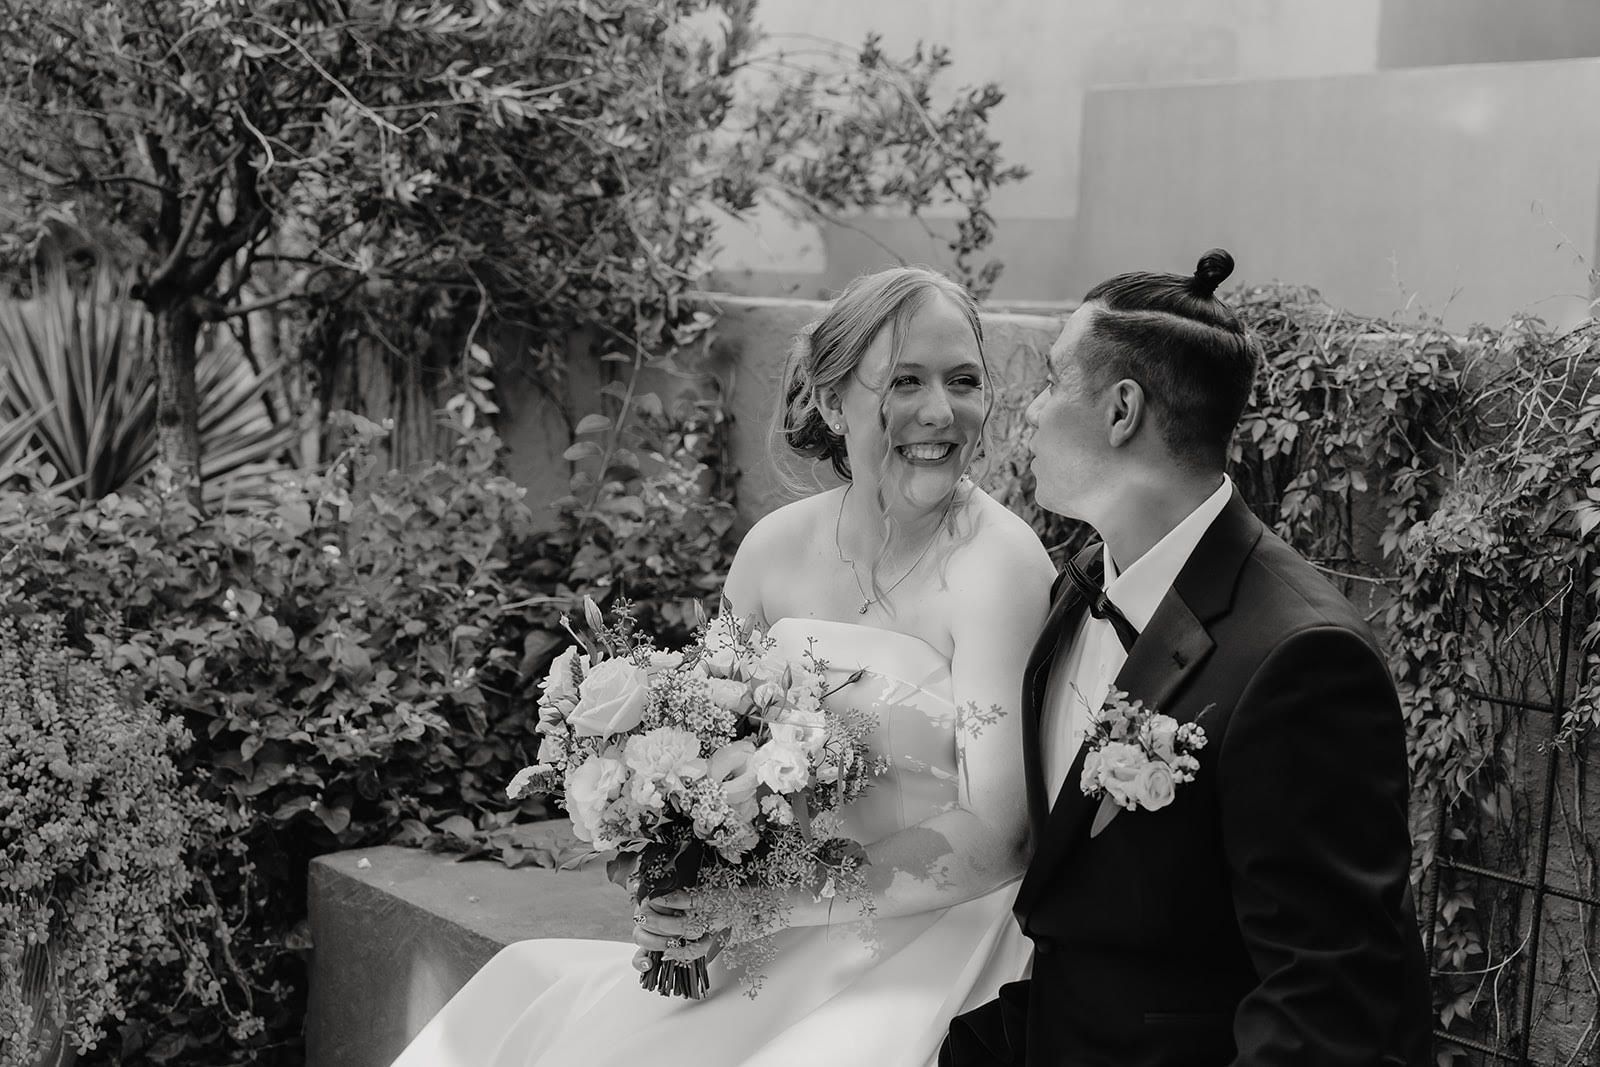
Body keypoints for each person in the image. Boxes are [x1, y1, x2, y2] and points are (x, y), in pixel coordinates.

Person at [390, 266, 1056, 1067]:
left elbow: (999, 833)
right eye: (906, 380)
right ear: (831, 400)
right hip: (770, 926)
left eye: (964, 380)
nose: (942, 411)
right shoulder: (773, 550)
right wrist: (683, 886)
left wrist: (761, 901)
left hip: (933, 937)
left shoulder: (999, 567)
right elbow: (711, 756)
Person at [942, 249, 1433, 1067]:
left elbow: (1325, 1001)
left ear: (1121, 409)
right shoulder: (1078, 589)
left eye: (1051, 382)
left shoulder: (1302, 660)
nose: (1028, 410)